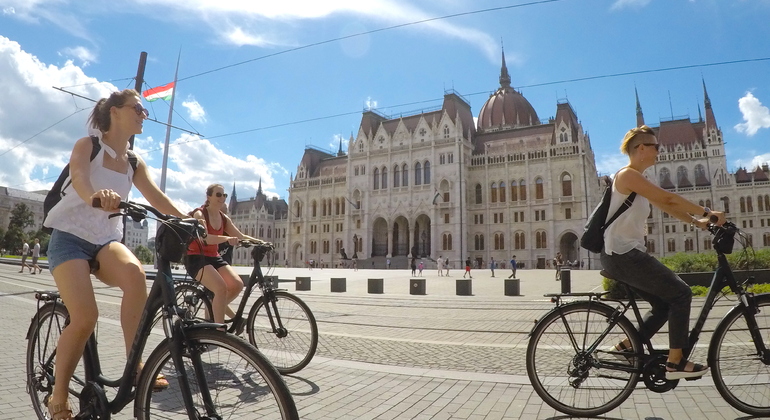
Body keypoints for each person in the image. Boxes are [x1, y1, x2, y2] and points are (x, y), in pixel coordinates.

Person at [43, 89, 189, 420]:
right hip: (70, 238)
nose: (143, 114)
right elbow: (79, 177)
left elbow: (156, 197)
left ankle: (134, 364)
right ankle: (59, 395)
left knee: (136, 275)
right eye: (138, 108)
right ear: (116, 112)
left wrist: (187, 219)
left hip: (105, 239)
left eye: (144, 110)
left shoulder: (134, 162)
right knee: (85, 317)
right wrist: (96, 196)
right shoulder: (88, 145)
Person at [601, 125, 725, 380]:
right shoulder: (627, 175)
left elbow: (665, 205)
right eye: (656, 146)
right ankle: (675, 362)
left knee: (663, 305)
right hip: (622, 254)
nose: (659, 150)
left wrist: (697, 223)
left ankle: (626, 347)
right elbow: (668, 198)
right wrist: (707, 212)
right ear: (641, 149)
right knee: (681, 294)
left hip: (622, 254)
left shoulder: (638, 181)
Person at [186, 184, 261, 325]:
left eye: (224, 195)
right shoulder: (200, 214)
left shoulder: (223, 218)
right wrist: (227, 238)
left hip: (213, 256)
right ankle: (219, 330)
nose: (222, 198)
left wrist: (259, 242)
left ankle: (214, 307)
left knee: (237, 285)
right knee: (221, 288)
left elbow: (239, 235)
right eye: (218, 195)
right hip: (196, 257)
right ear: (209, 197)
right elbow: (206, 238)